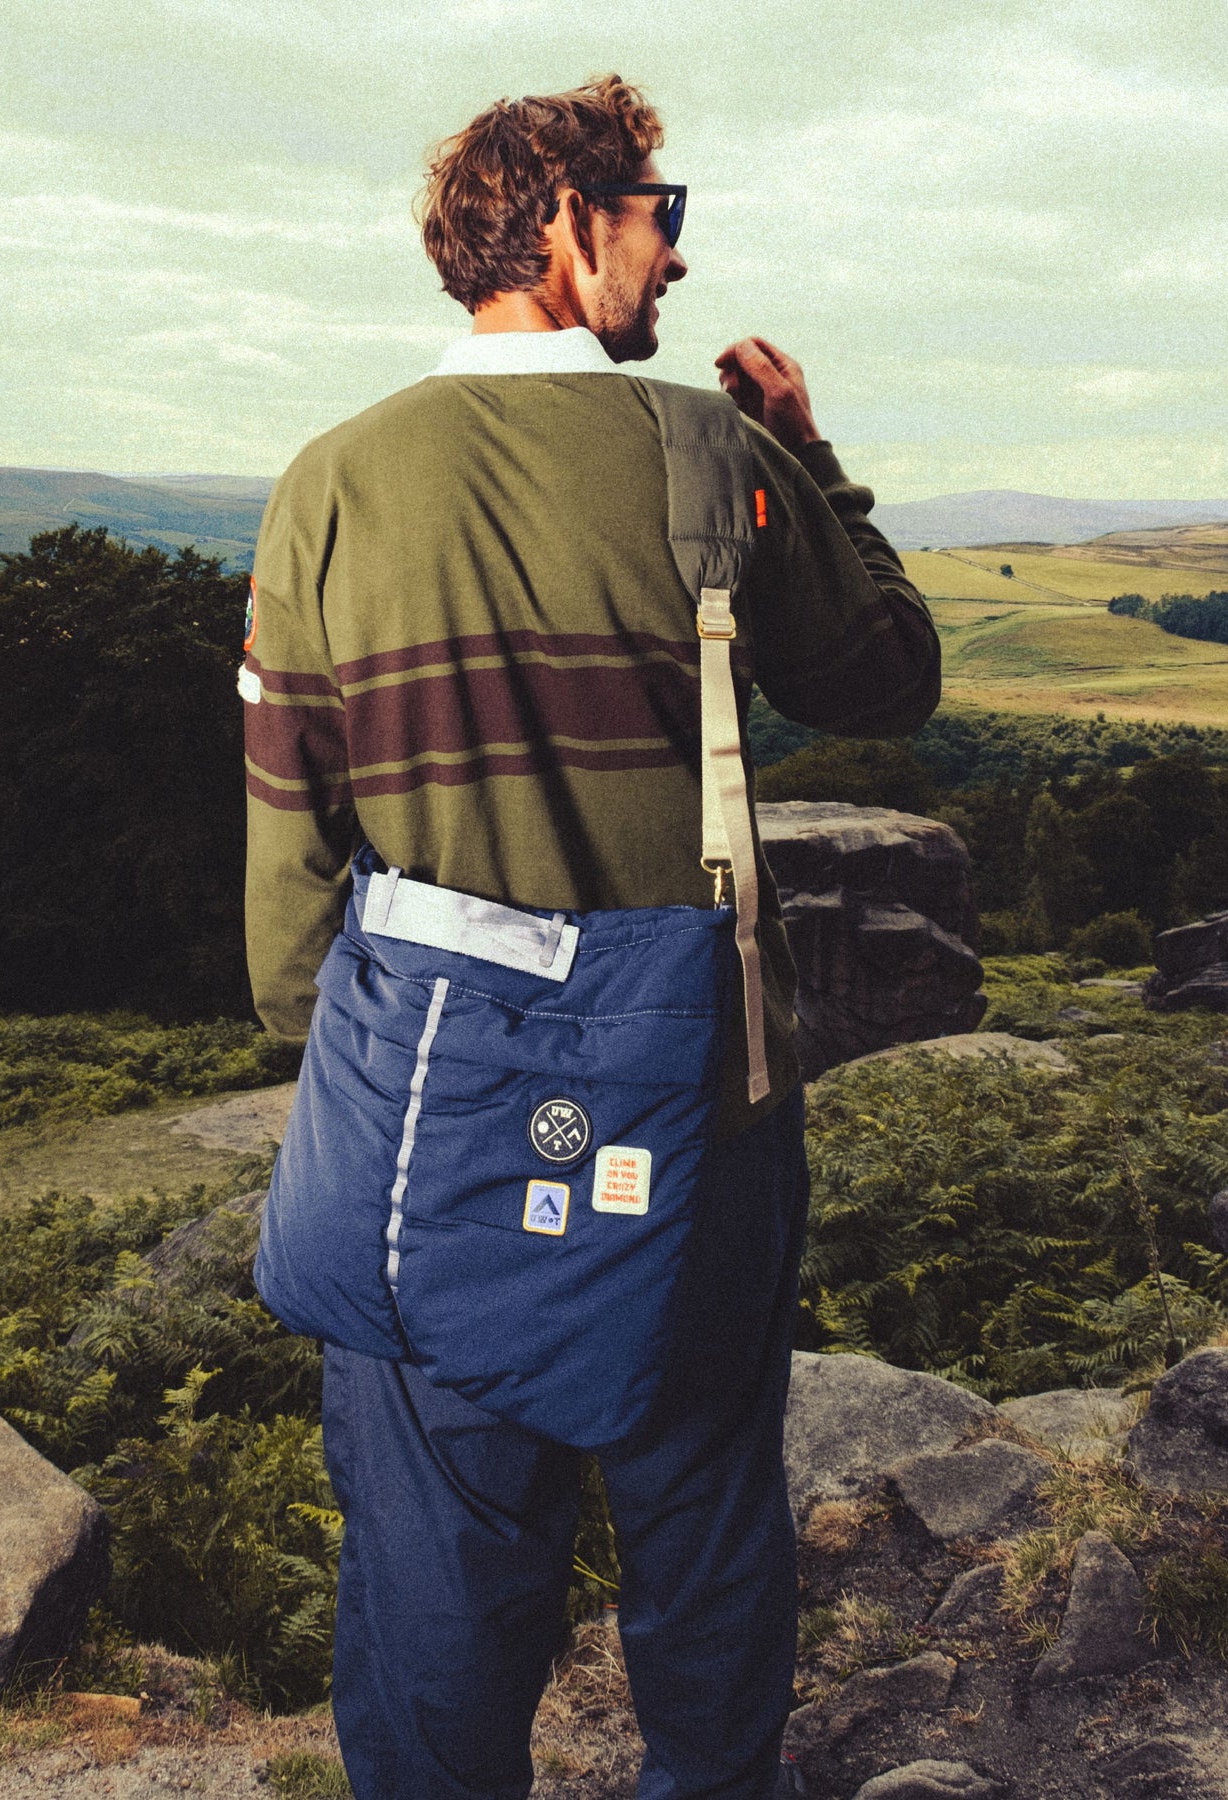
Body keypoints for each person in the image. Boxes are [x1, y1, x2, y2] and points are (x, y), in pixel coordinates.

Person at [244, 74, 939, 1800]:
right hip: (698, 1102)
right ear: (567, 220)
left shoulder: (326, 485)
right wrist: (813, 456)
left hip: (429, 1106)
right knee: (701, 1516)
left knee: (435, 1560)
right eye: (660, 215)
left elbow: (288, 850)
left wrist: (349, 1057)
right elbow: (887, 679)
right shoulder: (717, 457)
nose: (678, 259)